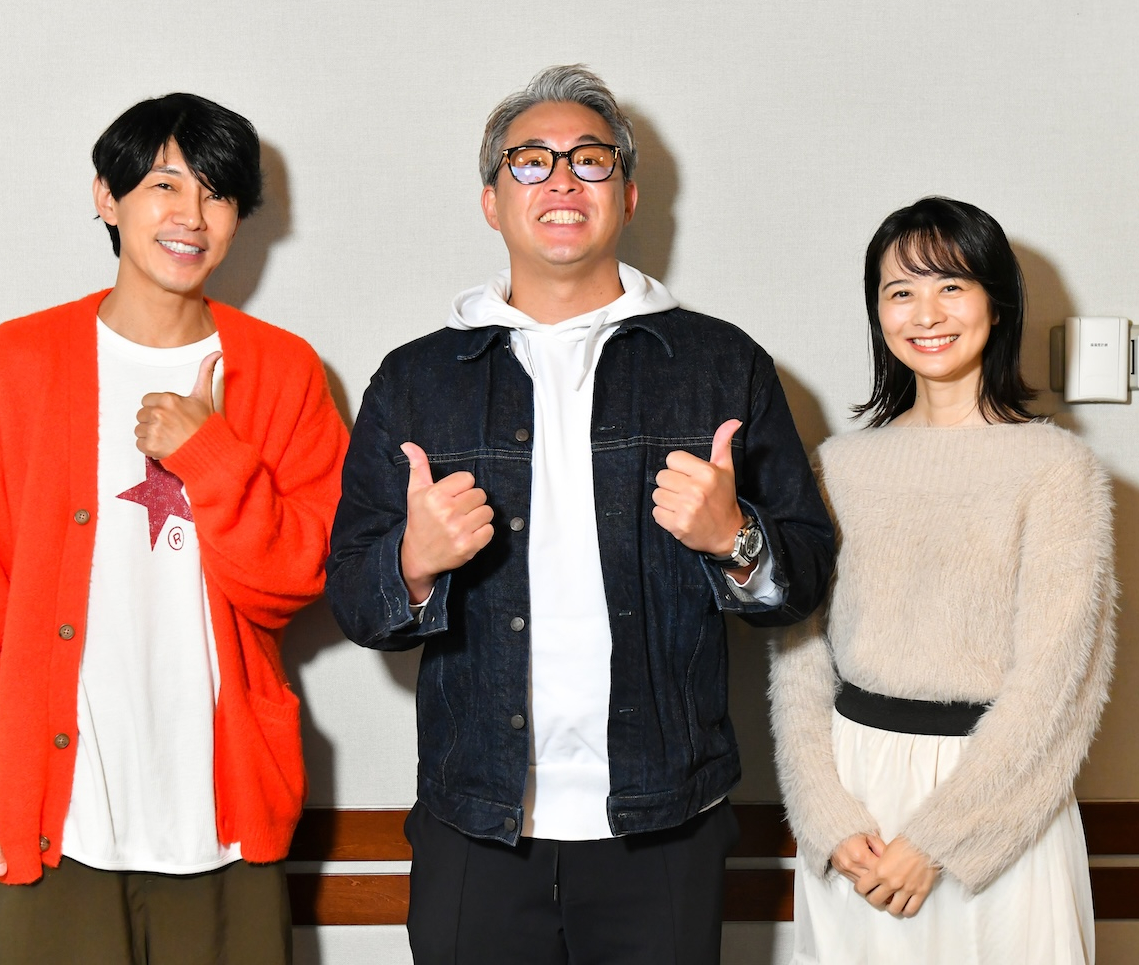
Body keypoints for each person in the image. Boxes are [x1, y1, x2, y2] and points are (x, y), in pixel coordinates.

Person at [326, 64, 836, 964]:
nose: (561, 179)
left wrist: (736, 540)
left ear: (627, 195)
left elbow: (803, 582)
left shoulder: (720, 365)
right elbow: (355, 604)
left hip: (667, 819)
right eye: (530, 161)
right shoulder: (417, 379)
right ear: (492, 201)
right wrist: (412, 563)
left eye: (590, 159)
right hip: (475, 821)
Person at [0, 93, 347, 963]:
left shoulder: (283, 372)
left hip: (223, 819)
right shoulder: (20, 362)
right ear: (107, 198)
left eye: (217, 193)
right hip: (56, 818)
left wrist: (211, 457)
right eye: (164, 185)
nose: (192, 215)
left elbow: (300, 578)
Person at [770, 197, 1116, 964]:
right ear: (878, 313)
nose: (925, 313)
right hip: (857, 799)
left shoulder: (1056, 469)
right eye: (900, 291)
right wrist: (826, 816)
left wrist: (940, 840)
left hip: (998, 803)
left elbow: (1059, 684)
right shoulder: (837, 466)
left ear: (998, 301)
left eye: (951, 285)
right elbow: (799, 657)